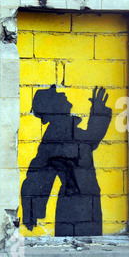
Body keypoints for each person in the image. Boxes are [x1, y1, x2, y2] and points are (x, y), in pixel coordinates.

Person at [20, 85, 112, 236]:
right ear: (53, 107)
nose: (63, 93)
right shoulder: (58, 131)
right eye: (57, 95)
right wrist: (31, 213)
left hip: (81, 203)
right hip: (76, 205)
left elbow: (89, 141)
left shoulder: (63, 128)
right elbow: (38, 173)